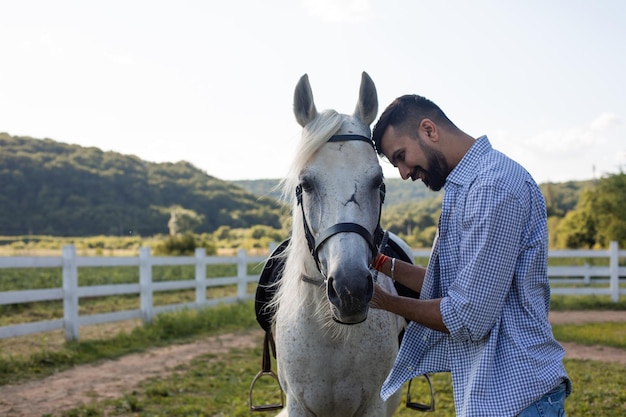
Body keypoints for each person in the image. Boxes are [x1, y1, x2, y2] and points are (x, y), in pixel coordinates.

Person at [369, 94, 571, 417]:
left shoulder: (493, 188)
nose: (405, 173)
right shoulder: (466, 188)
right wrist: (380, 264)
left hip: (518, 399)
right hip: (496, 396)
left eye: (402, 156)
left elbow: (466, 316)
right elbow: (448, 286)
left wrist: (383, 301)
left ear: (428, 130)